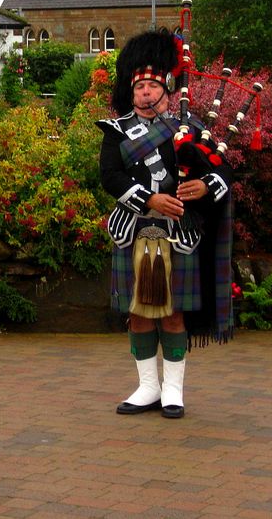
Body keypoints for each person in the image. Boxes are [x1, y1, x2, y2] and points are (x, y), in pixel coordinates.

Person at [96, 29, 235, 419]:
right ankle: (147, 387)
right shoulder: (115, 131)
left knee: (174, 313)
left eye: (152, 84)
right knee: (138, 312)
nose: (144, 92)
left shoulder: (187, 130)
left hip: (177, 235)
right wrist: (150, 198)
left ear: (167, 88)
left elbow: (224, 173)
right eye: (138, 85)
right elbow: (110, 177)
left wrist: (202, 187)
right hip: (133, 230)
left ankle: (173, 389)